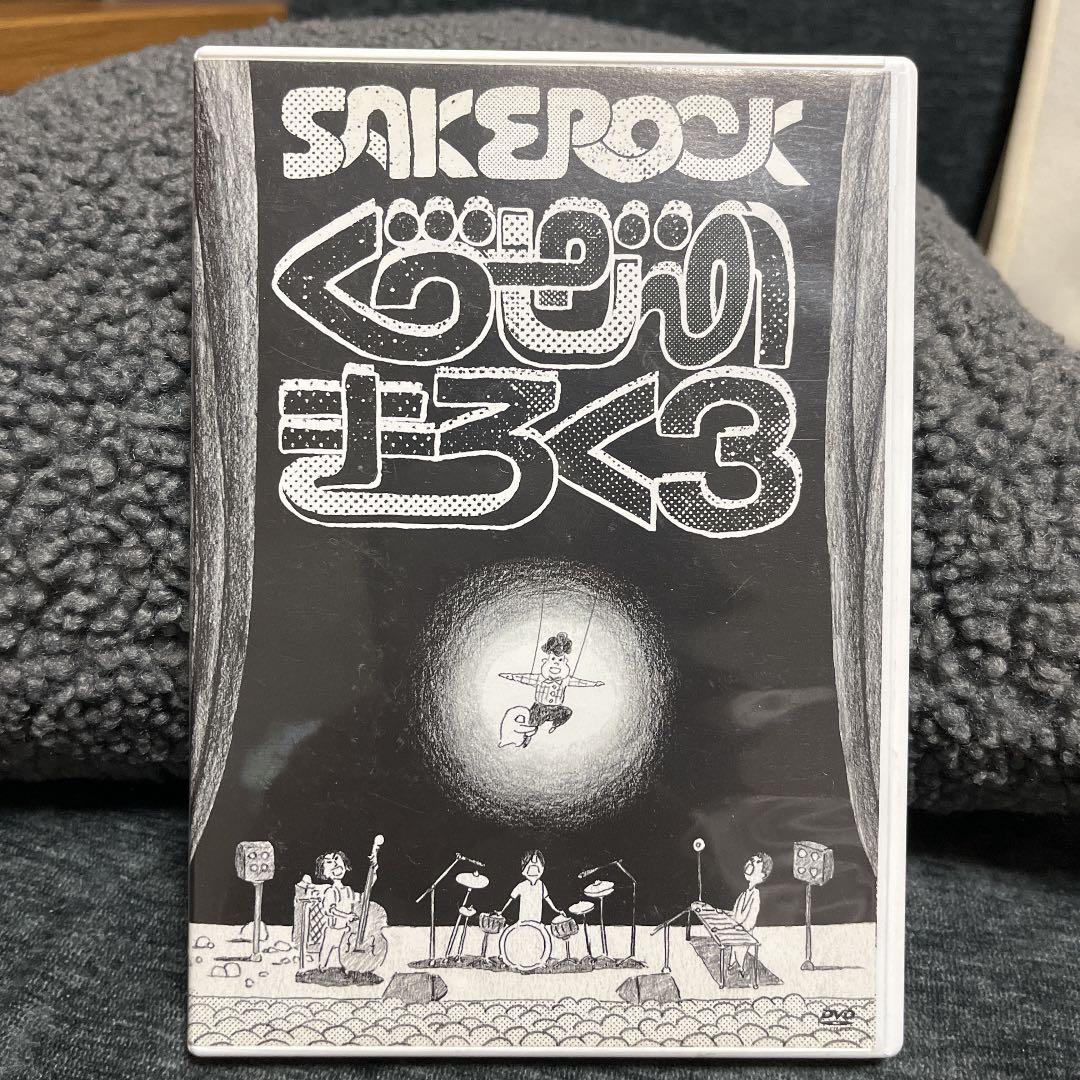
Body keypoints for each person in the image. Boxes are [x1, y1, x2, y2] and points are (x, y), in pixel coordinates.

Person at [498, 631, 603, 748]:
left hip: (555, 709)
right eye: (553, 659)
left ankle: (554, 725)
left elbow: (580, 682)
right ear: (545, 661)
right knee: (532, 726)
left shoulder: (565, 680)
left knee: (567, 712)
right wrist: (509, 676)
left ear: (565, 662)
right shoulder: (539, 678)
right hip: (539, 708)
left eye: (560, 661)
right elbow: (523, 678)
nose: (556, 664)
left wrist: (594, 684)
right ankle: (526, 738)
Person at [728, 851, 772, 975]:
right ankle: (733, 966)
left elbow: (751, 920)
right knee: (734, 951)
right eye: (753, 860)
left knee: (739, 952)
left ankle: (740, 969)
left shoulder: (755, 894)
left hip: (744, 933)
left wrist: (741, 927)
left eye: (757, 862)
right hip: (737, 930)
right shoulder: (744, 894)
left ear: (762, 875)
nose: (751, 862)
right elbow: (735, 913)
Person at [314, 850, 359, 970]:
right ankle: (322, 967)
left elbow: (356, 902)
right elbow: (331, 910)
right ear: (324, 872)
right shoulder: (331, 891)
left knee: (346, 950)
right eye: (329, 862)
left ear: (345, 866)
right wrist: (346, 916)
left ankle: (347, 967)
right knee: (326, 950)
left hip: (346, 929)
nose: (335, 863)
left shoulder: (349, 890)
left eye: (336, 859)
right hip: (333, 930)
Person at [499, 850, 565, 924]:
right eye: (530, 868)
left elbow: (548, 899)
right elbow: (511, 899)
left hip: (537, 922)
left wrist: (557, 911)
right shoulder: (521, 885)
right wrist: (501, 911)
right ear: (523, 870)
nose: (533, 871)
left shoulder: (541, 885)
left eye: (536, 868)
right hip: (523, 922)